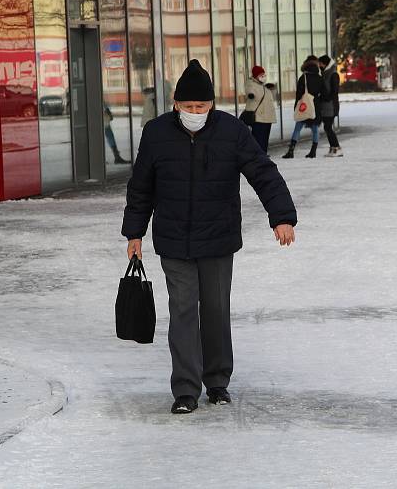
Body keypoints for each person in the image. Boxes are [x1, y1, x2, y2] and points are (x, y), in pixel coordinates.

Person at [122, 59, 297, 415]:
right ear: (175, 103)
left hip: (218, 238)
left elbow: (263, 173)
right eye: (188, 106)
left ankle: (217, 381)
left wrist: (281, 217)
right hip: (174, 240)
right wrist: (134, 232)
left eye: (201, 106)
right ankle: (185, 389)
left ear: (212, 104)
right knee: (183, 311)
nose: (194, 112)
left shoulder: (231, 132)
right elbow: (141, 187)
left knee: (215, 310)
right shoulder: (156, 134)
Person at [283, 56, 323, 158]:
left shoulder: (303, 78)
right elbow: (324, 92)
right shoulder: (320, 78)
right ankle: (313, 151)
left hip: (304, 106)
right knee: (315, 129)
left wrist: (297, 106)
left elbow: (298, 94)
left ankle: (291, 150)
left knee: (297, 128)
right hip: (315, 106)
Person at [244, 65, 277, 153]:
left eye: (264, 74)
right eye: (260, 75)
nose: (263, 77)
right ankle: (258, 158)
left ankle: (263, 157)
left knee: (264, 141)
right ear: (255, 76)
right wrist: (251, 94)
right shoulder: (251, 84)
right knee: (258, 140)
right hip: (259, 118)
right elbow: (249, 91)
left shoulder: (262, 86)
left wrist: (271, 88)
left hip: (267, 118)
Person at [317, 54, 343, 157]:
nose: (320, 66)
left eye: (321, 63)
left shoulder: (333, 74)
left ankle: (337, 147)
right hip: (325, 105)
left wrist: (325, 97)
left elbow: (334, 91)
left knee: (328, 127)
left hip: (331, 105)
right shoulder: (325, 73)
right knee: (327, 127)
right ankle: (333, 148)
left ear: (325, 63)